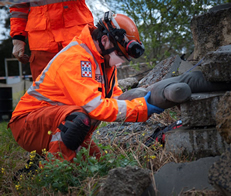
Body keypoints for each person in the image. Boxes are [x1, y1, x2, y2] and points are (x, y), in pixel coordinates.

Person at [8, 11, 164, 162]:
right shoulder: (76, 57)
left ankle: (40, 164)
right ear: (104, 41)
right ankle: (55, 171)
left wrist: (140, 100)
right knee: (78, 119)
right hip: (28, 123)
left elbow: (115, 98)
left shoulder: (105, 61)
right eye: (120, 55)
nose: (120, 62)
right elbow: (94, 106)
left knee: (99, 164)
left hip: (59, 122)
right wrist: (141, 108)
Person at [10, 0, 95, 81]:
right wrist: (18, 38)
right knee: (44, 92)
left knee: (83, 90)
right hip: (42, 43)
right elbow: (18, 7)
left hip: (75, 39)